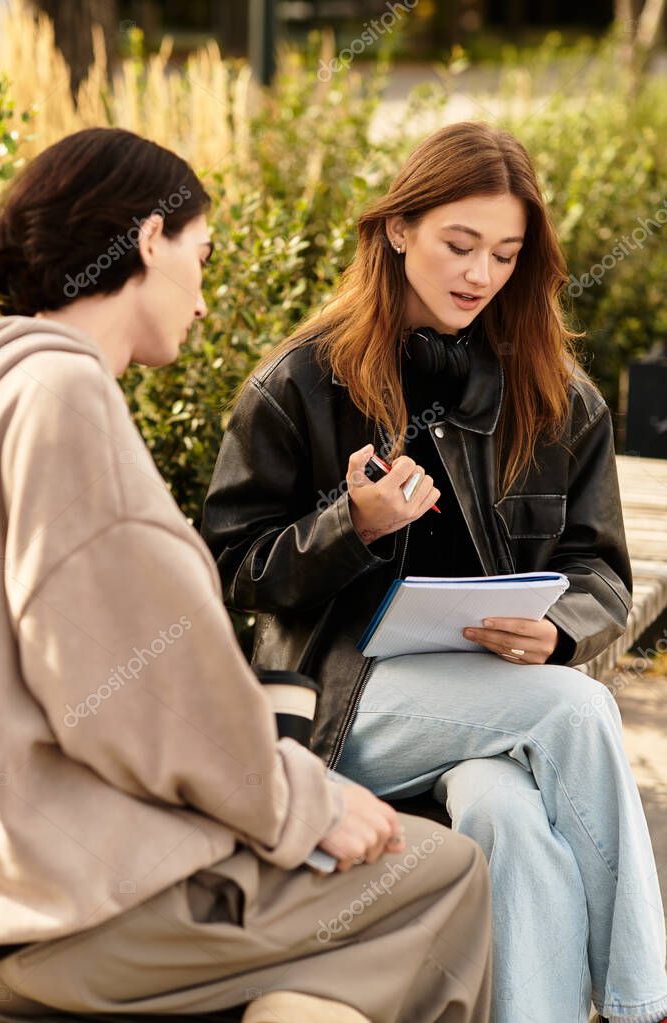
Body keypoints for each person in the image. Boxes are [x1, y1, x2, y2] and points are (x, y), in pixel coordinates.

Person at [0, 127, 493, 1023]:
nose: (205, 296)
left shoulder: (3, 390)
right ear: (148, 239)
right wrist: (305, 801)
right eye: (202, 254)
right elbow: (129, 696)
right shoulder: (64, 400)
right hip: (75, 904)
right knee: (439, 874)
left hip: (26, 874)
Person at [202, 121, 667, 1023]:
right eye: (460, 244)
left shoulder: (555, 393)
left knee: (509, 818)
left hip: (488, 699)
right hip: (343, 706)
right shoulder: (301, 384)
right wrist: (352, 525)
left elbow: (598, 566)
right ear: (399, 228)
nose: (480, 274)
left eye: (504, 253)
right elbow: (231, 571)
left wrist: (561, 625)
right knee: (577, 705)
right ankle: (645, 997)